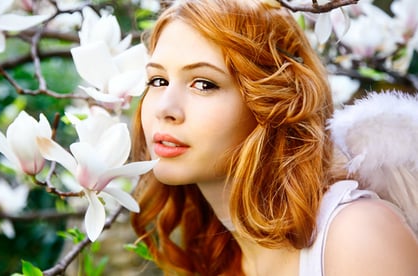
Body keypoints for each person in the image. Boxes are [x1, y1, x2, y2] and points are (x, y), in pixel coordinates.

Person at [130, 0, 418, 275]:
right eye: (158, 81)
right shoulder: (218, 249)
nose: (165, 109)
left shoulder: (355, 234)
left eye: (204, 84)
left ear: (271, 103)